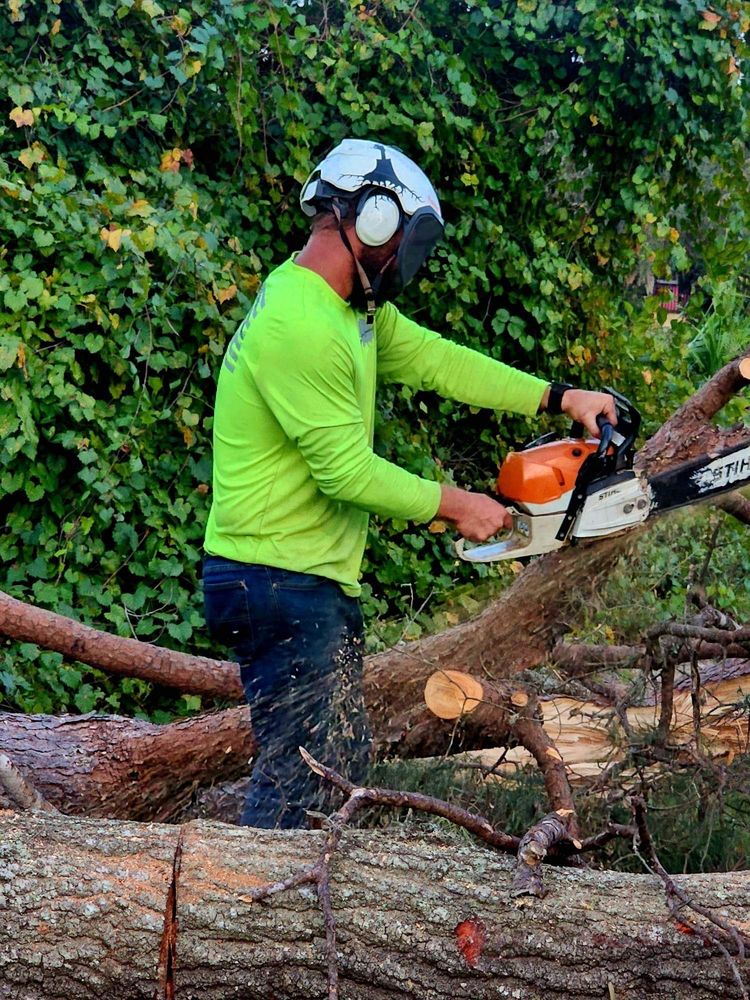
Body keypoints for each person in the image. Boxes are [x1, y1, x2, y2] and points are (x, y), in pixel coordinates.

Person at [202, 138, 616, 829]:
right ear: (370, 223)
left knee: (330, 766)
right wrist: (458, 505)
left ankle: (278, 914)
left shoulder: (344, 309)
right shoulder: (300, 323)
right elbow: (345, 472)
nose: (405, 260)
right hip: (275, 580)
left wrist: (556, 395)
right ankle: (247, 921)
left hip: (295, 578)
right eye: (405, 239)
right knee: (304, 780)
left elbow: (436, 360)